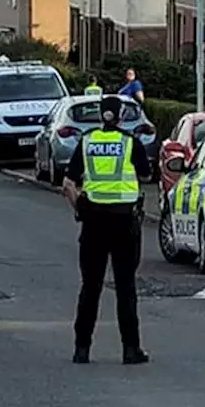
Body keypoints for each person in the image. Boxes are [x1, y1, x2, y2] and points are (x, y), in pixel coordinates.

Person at [62, 95, 152, 366]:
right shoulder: (129, 142)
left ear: (101, 116)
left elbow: (68, 183)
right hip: (125, 221)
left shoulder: (87, 141)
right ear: (121, 116)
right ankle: (130, 349)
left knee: (90, 287)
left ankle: (81, 348)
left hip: (93, 222)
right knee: (125, 286)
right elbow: (146, 175)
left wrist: (80, 208)